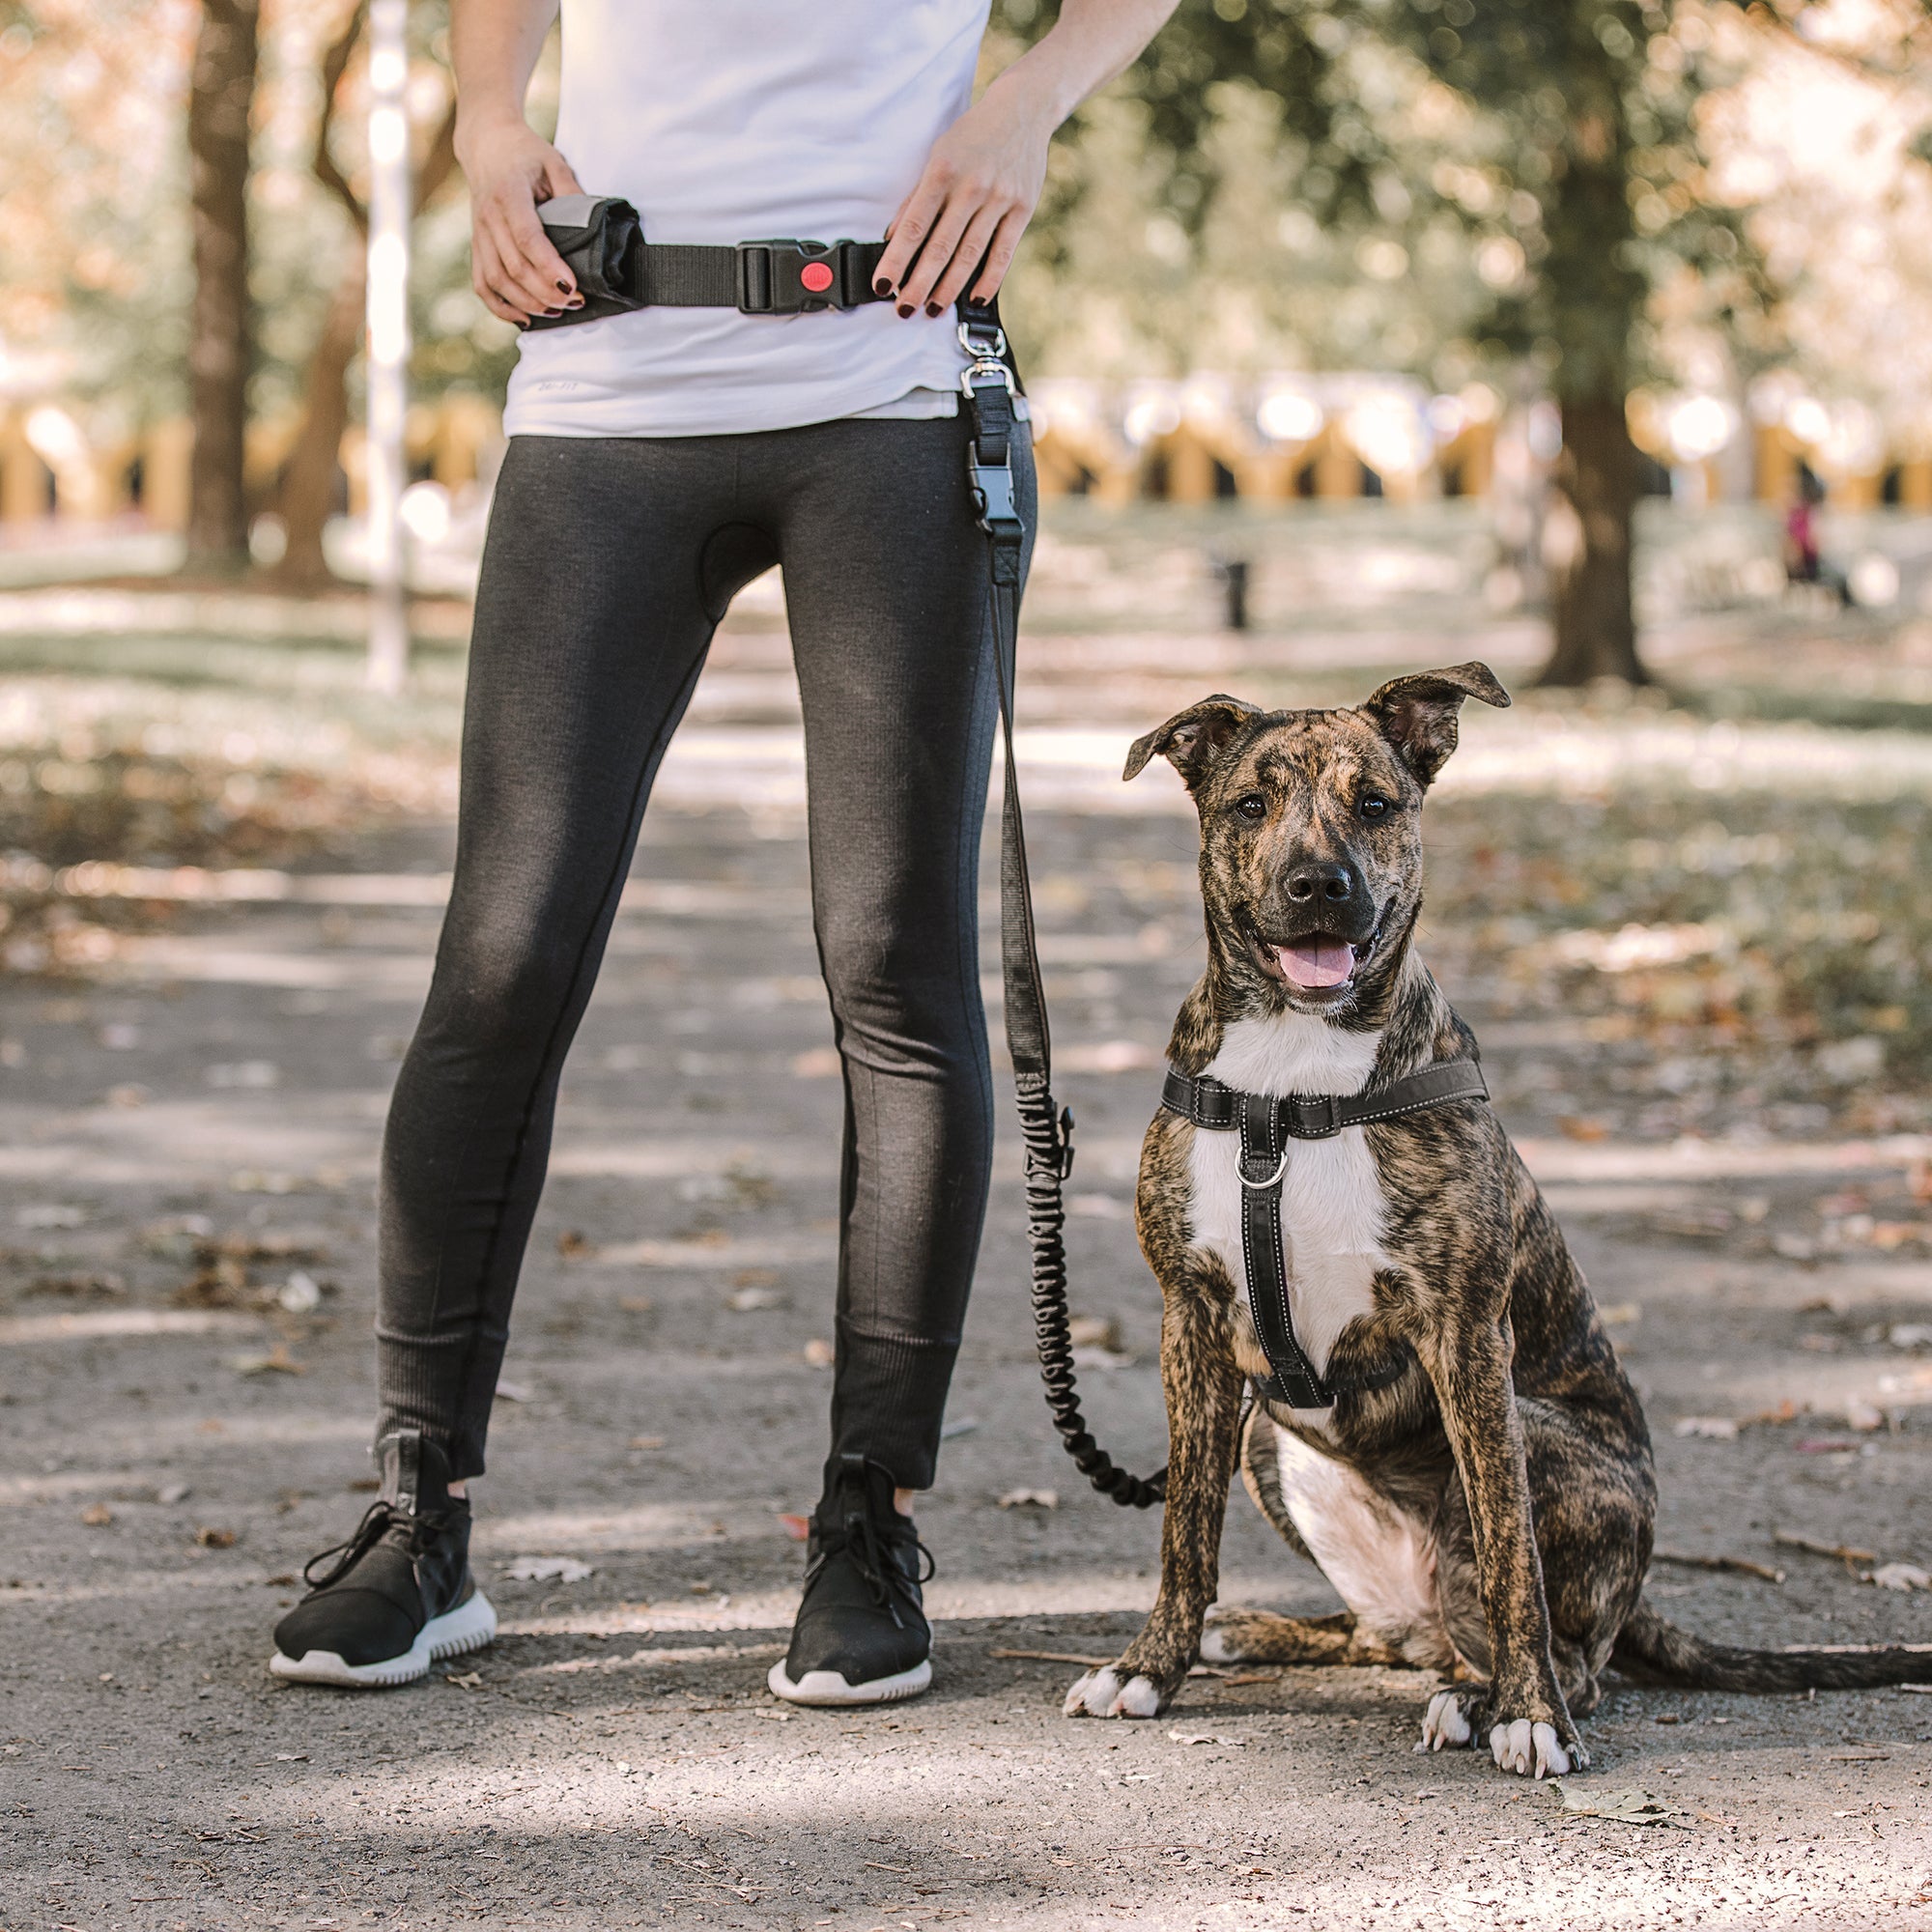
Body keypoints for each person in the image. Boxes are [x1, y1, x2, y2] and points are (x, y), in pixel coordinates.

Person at [268, 0, 1179, 1707]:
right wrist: (483, 112)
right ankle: (419, 1518)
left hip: (894, 382)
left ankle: (865, 1523)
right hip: (606, 385)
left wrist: (1030, 103)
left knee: (894, 965)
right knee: (502, 959)